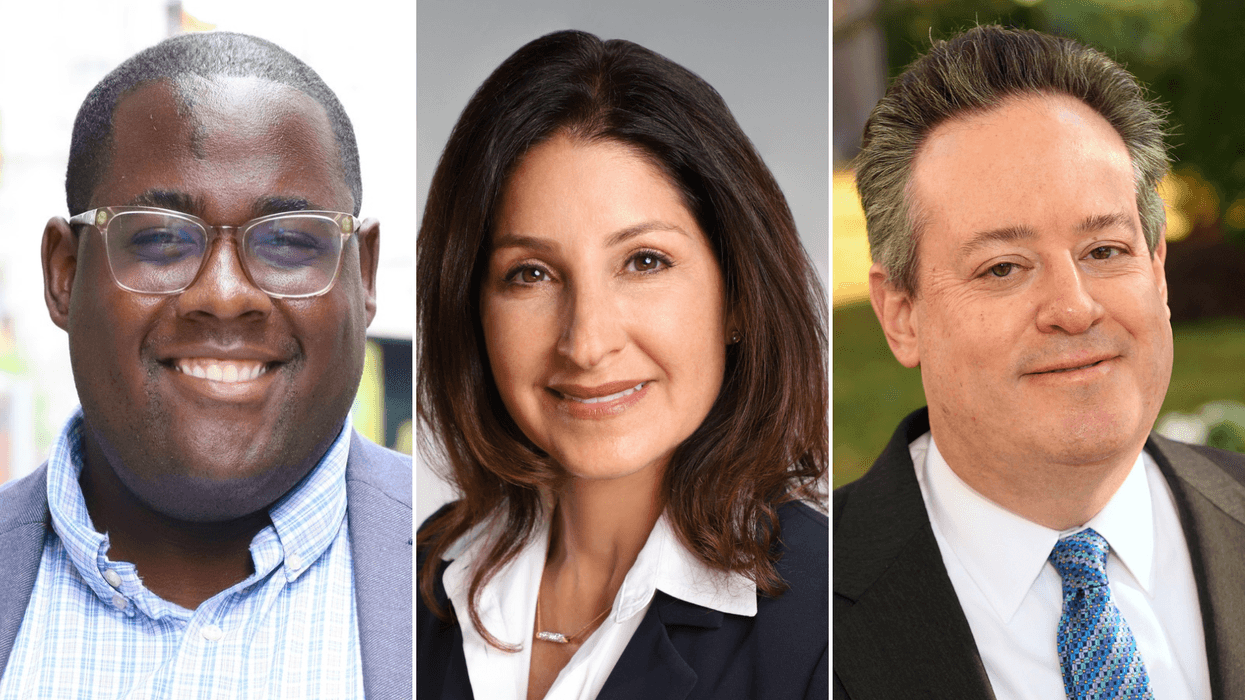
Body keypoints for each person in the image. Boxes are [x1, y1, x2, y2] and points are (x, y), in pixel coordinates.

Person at [835, 24, 1245, 699]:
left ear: (1158, 272)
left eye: (1104, 251)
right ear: (900, 313)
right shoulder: (794, 608)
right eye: (1002, 267)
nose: (1074, 307)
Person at [417, 30, 828, 700]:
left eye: (643, 261)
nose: (585, 342)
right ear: (472, 311)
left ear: (737, 297)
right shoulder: (422, 575)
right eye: (531, 274)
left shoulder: (824, 624)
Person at [0, 32, 411, 699]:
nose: (223, 296)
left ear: (362, 277)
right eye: (160, 238)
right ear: (64, 274)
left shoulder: (470, 577)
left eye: (287, 241)